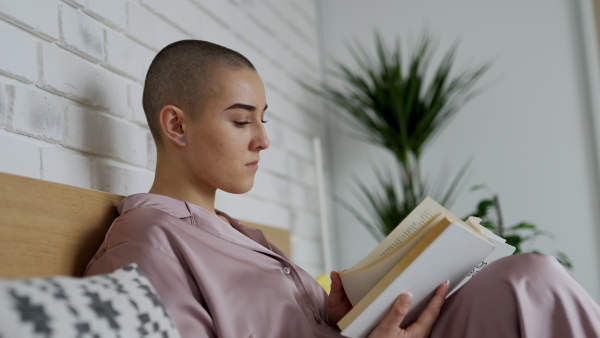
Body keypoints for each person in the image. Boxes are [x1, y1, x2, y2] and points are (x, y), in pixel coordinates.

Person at [85, 40, 600, 338]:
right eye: (242, 122)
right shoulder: (145, 239)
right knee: (531, 283)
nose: (264, 140)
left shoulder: (241, 235)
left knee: (530, 278)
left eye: (263, 120)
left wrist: (327, 312)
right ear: (176, 127)